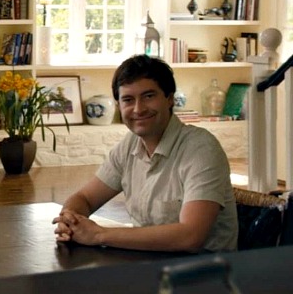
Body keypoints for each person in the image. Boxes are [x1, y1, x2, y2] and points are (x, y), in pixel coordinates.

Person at [53, 55, 237, 252]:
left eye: (149, 96)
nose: (138, 109)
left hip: (205, 275)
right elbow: (85, 198)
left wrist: (99, 234)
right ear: (119, 105)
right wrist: (69, 218)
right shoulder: (129, 145)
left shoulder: (201, 149)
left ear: (169, 99)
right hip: (149, 266)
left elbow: (190, 236)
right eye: (128, 100)